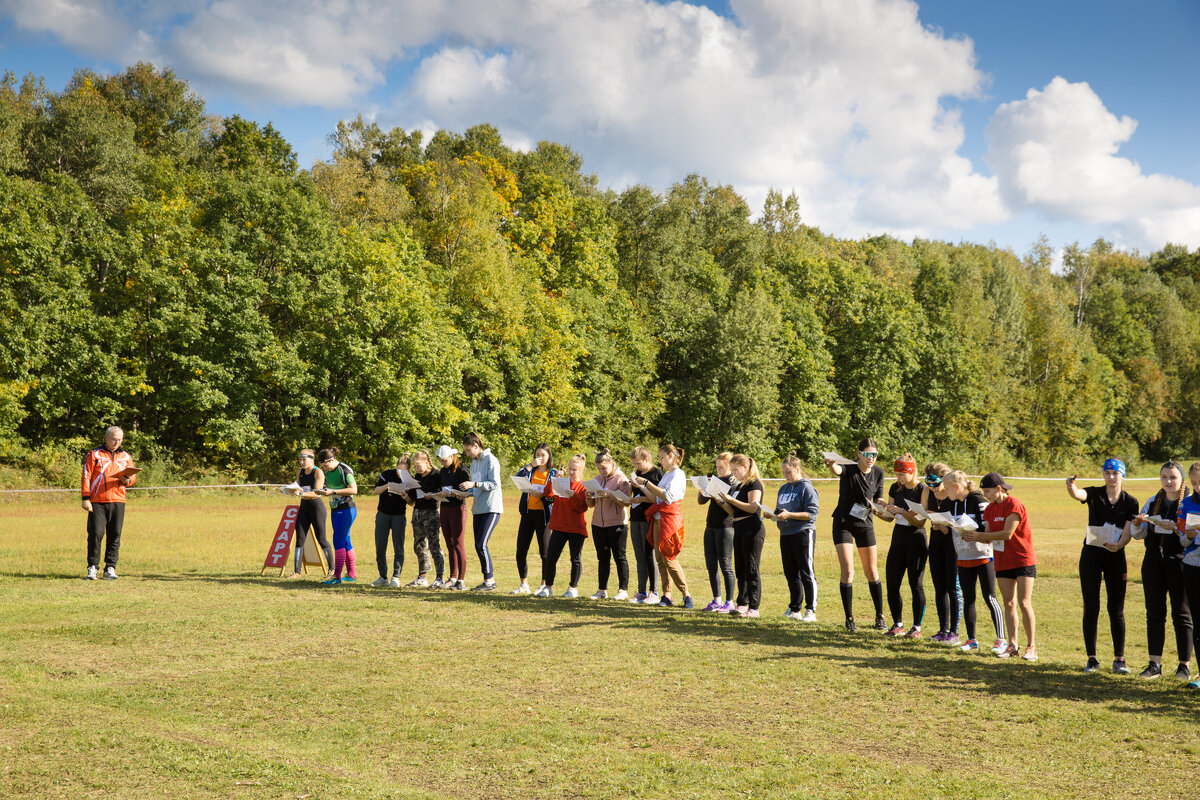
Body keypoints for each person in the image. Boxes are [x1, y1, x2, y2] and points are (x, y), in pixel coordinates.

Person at [1067, 459, 1138, 674]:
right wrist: (1071, 487)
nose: (1111, 476)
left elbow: (1128, 530)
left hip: (1115, 556)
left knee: (1116, 609)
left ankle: (1119, 659)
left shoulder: (1130, 501)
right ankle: (1092, 659)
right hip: (1091, 556)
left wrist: (1119, 545)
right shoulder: (1095, 493)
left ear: (1122, 475)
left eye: (1115, 473)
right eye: (1107, 472)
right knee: (1092, 606)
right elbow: (1079, 495)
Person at [1131, 461, 1192, 679]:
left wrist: (1175, 528)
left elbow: (1193, 535)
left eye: (1173, 477)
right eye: (1164, 477)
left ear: (1182, 479)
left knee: (1182, 614)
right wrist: (1138, 523)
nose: (1168, 481)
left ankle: (1183, 666)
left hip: (1180, 564)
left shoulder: (1191, 503)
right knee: (1154, 613)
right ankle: (1154, 664)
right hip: (1153, 563)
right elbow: (1139, 534)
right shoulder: (1152, 501)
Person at [825, 439, 885, 631]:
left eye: (874, 455)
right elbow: (837, 471)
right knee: (848, 571)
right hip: (843, 524)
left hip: (865, 524)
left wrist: (882, 506)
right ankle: (849, 619)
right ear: (859, 453)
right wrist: (832, 464)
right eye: (867, 454)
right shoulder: (849, 468)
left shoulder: (878, 473)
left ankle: (880, 617)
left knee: (872, 571)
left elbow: (879, 498)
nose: (871, 458)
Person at [945, 471, 1007, 656]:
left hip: (983, 556)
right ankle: (972, 639)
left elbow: (986, 528)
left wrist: (970, 529)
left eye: (947, 488)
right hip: (963, 556)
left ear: (957, 487)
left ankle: (1001, 639)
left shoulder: (978, 500)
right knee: (968, 598)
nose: (945, 491)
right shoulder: (952, 503)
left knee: (990, 597)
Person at [979, 472, 1038, 661]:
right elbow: (988, 537)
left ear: (998, 488)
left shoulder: (1014, 504)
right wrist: (967, 532)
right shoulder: (989, 509)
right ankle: (1012, 645)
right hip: (1003, 560)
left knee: (1023, 602)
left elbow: (1007, 534)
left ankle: (1031, 646)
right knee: (1008, 602)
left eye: (987, 491)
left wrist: (978, 536)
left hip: (1023, 559)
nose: (985, 495)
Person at [635, 444, 694, 609]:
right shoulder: (667, 475)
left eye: (661, 457)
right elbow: (657, 498)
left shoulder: (678, 475)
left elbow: (667, 497)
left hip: (669, 520)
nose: (660, 461)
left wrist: (647, 483)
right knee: (660, 559)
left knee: (669, 558)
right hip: (658, 518)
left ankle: (686, 594)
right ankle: (667, 594)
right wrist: (642, 489)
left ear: (671, 456)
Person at [880, 454, 928, 638]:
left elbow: (920, 523)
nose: (899, 478)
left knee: (915, 584)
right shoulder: (895, 488)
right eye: (897, 474)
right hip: (898, 538)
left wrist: (902, 511)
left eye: (902, 474)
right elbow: (889, 518)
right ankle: (897, 624)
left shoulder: (922, 490)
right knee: (892, 583)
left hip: (915, 539)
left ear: (912, 471)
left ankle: (916, 628)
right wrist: (879, 511)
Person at [80, 426, 137, 580]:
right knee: (96, 534)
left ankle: (110, 568)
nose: (116, 442)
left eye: (119, 440)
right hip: (97, 501)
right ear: (106, 438)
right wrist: (86, 498)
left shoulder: (125, 456)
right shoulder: (94, 454)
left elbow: (132, 478)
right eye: (114, 439)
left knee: (115, 534)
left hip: (118, 500)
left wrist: (128, 480)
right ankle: (92, 567)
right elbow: (86, 475)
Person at [713, 454, 765, 618]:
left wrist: (731, 500)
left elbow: (752, 508)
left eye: (736, 470)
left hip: (752, 528)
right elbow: (733, 511)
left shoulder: (754, 484)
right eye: (732, 470)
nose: (733, 473)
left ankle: (754, 607)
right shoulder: (739, 486)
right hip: (738, 527)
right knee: (740, 568)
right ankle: (742, 603)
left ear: (745, 468)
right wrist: (722, 502)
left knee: (751, 567)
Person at [537, 454, 590, 598]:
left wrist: (573, 496)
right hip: (559, 526)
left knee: (575, 558)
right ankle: (548, 587)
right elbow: (547, 494)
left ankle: (573, 588)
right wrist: (555, 478)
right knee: (551, 557)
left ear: (581, 470)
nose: (572, 472)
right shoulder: (561, 482)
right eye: (571, 469)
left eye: (575, 470)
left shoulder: (583, 487)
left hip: (576, 527)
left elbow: (582, 508)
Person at [774, 453, 819, 621]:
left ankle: (810, 610)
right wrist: (772, 514)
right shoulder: (783, 489)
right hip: (785, 533)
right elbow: (780, 510)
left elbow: (812, 514)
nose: (786, 476)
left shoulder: (806, 488)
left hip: (803, 532)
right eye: (784, 473)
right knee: (790, 572)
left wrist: (790, 515)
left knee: (806, 571)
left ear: (797, 469)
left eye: (788, 472)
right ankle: (794, 608)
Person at [587, 448, 632, 600]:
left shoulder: (622, 479)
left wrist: (610, 495)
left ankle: (623, 590)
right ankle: (602, 590)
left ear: (612, 464)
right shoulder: (597, 479)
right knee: (603, 557)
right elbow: (591, 504)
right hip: (598, 524)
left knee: (619, 556)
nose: (601, 471)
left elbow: (627, 502)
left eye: (604, 468)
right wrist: (589, 497)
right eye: (599, 469)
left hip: (617, 523)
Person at [923, 462, 961, 645]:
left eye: (935, 484)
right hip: (936, 542)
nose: (932, 488)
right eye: (928, 483)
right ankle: (943, 629)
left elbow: (958, 522)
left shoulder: (953, 495)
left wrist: (944, 525)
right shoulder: (928, 492)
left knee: (952, 588)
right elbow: (923, 511)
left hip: (952, 544)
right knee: (939, 588)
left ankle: (954, 632)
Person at [461, 433, 502, 592]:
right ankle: (487, 580)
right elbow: (476, 487)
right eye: (465, 451)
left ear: (477, 446)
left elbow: (493, 484)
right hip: (478, 508)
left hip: (491, 508)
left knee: (481, 544)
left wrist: (474, 483)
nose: (467, 454)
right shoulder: (473, 463)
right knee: (478, 545)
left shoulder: (491, 460)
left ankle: (489, 581)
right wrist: (465, 493)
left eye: (468, 450)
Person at [698, 452, 736, 612]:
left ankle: (730, 602)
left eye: (721, 467)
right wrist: (702, 489)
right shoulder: (716, 480)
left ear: (730, 467)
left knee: (725, 564)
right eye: (717, 467)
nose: (718, 470)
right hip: (710, 527)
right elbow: (701, 501)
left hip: (725, 527)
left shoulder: (734, 484)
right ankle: (717, 599)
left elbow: (733, 509)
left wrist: (720, 499)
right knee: (711, 564)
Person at [289, 449, 334, 578]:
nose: (302, 462)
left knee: (321, 539)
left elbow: (317, 492)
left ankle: (332, 569)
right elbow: (298, 486)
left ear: (311, 459)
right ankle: (297, 572)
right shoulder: (299, 471)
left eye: (304, 459)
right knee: (300, 538)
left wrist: (302, 494)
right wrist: (291, 490)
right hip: (303, 507)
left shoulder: (318, 472)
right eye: (300, 460)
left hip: (316, 508)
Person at [627, 446, 662, 604]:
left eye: (638, 464)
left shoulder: (657, 474)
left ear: (647, 459)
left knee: (650, 555)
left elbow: (658, 498)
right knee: (639, 555)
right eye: (634, 464)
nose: (637, 467)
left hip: (650, 518)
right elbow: (632, 495)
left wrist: (642, 497)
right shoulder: (637, 474)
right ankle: (641, 591)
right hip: (635, 517)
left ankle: (653, 592)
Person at [318, 448, 358, 584]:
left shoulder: (344, 470)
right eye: (323, 466)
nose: (325, 468)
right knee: (345, 541)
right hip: (335, 509)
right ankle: (351, 575)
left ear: (332, 459)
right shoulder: (328, 471)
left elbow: (354, 489)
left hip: (347, 509)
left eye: (326, 465)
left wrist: (333, 491)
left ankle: (337, 577)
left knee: (338, 541)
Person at [1176, 462, 1200, 689]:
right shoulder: (1186, 504)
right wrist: (1189, 536)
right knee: (1197, 621)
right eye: (1194, 483)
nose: (1198, 487)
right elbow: (1182, 540)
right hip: (1192, 566)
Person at [407, 450, 447, 588]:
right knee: (419, 545)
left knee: (434, 545)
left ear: (426, 462)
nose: (416, 469)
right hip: (417, 512)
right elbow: (412, 497)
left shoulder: (436, 474)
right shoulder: (417, 476)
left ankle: (440, 576)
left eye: (418, 466)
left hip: (431, 512)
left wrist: (421, 486)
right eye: (415, 467)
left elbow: (437, 491)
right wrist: (406, 493)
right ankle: (422, 576)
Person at [370, 454, 411, 587]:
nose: (400, 473)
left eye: (404, 471)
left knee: (398, 547)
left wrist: (406, 497)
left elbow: (411, 502)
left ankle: (396, 577)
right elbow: (375, 491)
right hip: (383, 514)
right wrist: (387, 486)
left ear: (409, 470)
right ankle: (382, 577)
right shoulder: (386, 474)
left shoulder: (411, 480)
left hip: (399, 516)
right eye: (399, 470)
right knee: (380, 546)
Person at [435, 445, 472, 591]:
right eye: (441, 461)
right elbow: (440, 488)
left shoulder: (463, 470)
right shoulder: (443, 471)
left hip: (458, 508)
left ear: (452, 456)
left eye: (444, 460)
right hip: (444, 508)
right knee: (449, 544)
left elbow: (466, 491)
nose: (443, 464)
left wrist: (451, 493)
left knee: (458, 543)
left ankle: (461, 580)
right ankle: (452, 577)